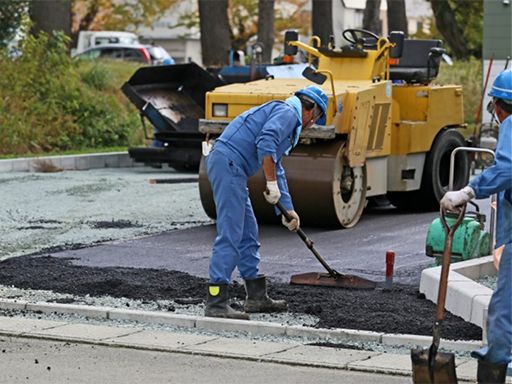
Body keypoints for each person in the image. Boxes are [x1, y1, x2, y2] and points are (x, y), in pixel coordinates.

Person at [204, 85, 328, 320]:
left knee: (248, 232)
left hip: (233, 168)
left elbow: (276, 166)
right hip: (228, 165)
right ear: (312, 112)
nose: (312, 125)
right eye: (317, 118)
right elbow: (266, 144)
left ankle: (256, 297)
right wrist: (270, 185)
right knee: (231, 232)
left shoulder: (285, 114)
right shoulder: (289, 114)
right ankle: (216, 301)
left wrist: (287, 209)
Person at [441, 69, 512, 384]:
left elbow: (507, 169)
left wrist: (467, 191)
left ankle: (494, 369)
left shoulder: (511, 124)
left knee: (505, 306)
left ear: (498, 106)